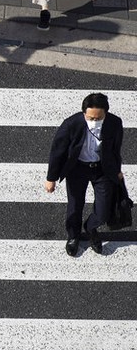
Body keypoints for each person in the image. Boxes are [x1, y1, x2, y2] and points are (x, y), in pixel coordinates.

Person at [45, 93, 123, 256]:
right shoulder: (71, 124)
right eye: (90, 118)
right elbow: (57, 151)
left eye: (98, 118)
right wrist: (51, 178)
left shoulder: (115, 123)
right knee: (75, 205)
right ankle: (73, 236)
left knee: (103, 211)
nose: (94, 122)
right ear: (84, 114)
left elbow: (115, 149)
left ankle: (90, 227)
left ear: (105, 114)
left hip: (102, 170)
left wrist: (117, 170)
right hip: (77, 169)